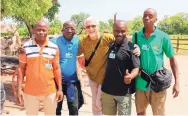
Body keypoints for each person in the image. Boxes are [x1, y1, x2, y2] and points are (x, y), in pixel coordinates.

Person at [78, 16, 140, 115]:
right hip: (93, 77)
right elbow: (77, 52)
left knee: (98, 103)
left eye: (93, 26)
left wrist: (135, 46)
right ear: (85, 28)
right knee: (95, 104)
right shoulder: (83, 41)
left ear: (98, 26)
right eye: (88, 27)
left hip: (105, 79)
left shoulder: (107, 38)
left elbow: (122, 37)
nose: (90, 29)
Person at [132, 8, 180, 115]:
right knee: (140, 112)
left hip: (158, 83)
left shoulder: (163, 37)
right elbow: (132, 56)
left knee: (158, 113)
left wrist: (177, 82)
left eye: (150, 16)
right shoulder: (136, 36)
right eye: (145, 15)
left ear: (156, 19)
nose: (147, 18)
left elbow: (172, 59)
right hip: (140, 83)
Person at [17, 19, 63, 115]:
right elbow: (21, 69)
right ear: (33, 30)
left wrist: (59, 89)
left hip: (50, 92)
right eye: (38, 29)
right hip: (30, 92)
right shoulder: (25, 48)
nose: (41, 32)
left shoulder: (54, 48)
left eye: (44, 30)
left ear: (48, 30)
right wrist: (19, 89)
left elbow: (57, 69)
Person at [101, 20, 140, 115]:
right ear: (113, 31)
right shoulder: (110, 45)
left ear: (127, 31)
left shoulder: (132, 47)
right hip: (107, 91)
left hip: (123, 92)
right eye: (117, 31)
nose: (119, 34)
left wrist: (130, 76)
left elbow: (136, 68)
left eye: (123, 31)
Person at [50, 21, 84, 115]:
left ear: (75, 31)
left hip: (72, 82)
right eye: (67, 28)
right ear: (62, 30)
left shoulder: (78, 41)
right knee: (56, 109)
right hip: (56, 82)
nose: (69, 30)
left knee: (74, 108)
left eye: (72, 28)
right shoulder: (54, 42)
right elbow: (41, 43)